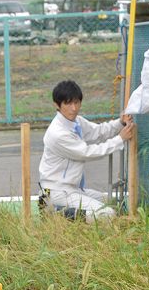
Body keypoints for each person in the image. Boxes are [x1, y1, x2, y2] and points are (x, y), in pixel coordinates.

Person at [38, 80, 135, 223]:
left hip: (73, 189)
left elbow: (98, 131)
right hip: (57, 192)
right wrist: (119, 139)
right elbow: (88, 153)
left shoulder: (76, 121)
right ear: (57, 105)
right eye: (68, 104)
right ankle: (55, 214)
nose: (74, 108)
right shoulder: (58, 133)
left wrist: (120, 122)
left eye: (77, 102)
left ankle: (62, 213)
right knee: (107, 214)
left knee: (114, 202)